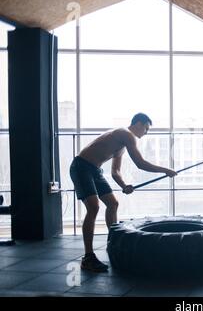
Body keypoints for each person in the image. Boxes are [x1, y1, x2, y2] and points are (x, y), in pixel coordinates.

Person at [69, 113, 178, 272]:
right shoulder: (126, 134)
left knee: (113, 203)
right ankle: (88, 257)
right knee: (93, 207)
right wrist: (165, 170)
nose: (146, 133)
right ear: (138, 123)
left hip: (94, 170)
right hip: (81, 167)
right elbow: (140, 164)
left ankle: (114, 243)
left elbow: (115, 172)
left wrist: (124, 185)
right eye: (146, 128)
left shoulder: (121, 145)